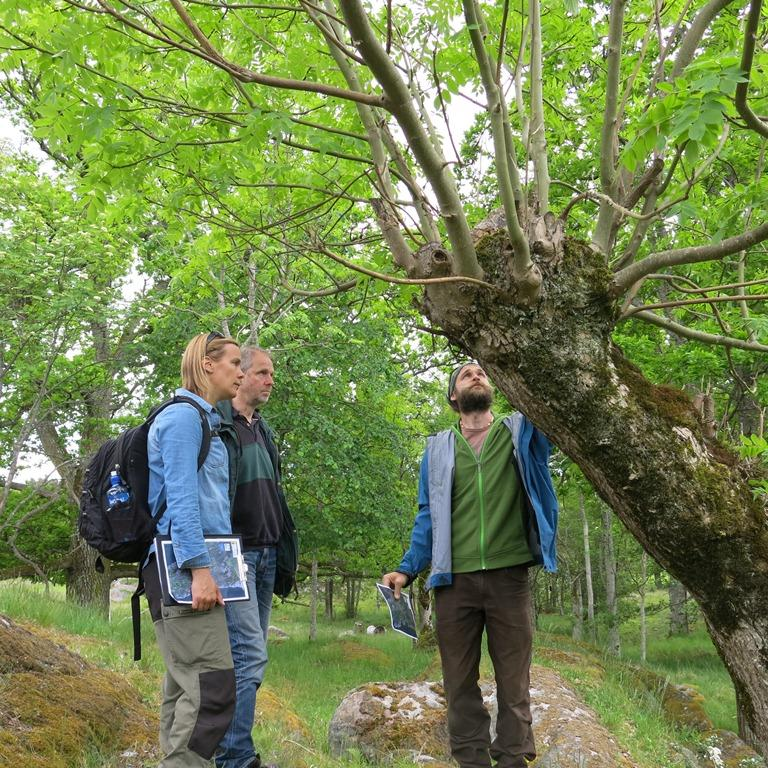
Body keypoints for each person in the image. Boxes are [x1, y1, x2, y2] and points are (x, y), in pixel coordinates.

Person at [382, 362, 558, 768]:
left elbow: (552, 409)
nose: (476, 376)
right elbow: (427, 515)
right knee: (459, 684)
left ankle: (513, 759)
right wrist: (407, 569)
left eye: (482, 372)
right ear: (453, 397)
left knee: (514, 683)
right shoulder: (437, 448)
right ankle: (471, 761)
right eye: (465, 375)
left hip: (509, 576)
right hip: (453, 581)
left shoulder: (520, 432)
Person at [142, 332, 244, 767]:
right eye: (235, 363)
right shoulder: (184, 419)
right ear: (207, 364)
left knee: (186, 687)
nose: (241, 372)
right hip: (184, 568)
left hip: (190, 566)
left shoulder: (204, 420)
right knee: (212, 690)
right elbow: (181, 499)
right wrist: (200, 569)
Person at [216, 346, 292, 768]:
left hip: (265, 556)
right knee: (248, 655)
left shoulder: (263, 429)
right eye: (263, 372)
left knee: (250, 656)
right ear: (240, 375)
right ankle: (235, 757)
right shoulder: (217, 424)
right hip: (233, 555)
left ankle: (231, 748)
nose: (270, 380)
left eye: (271, 374)